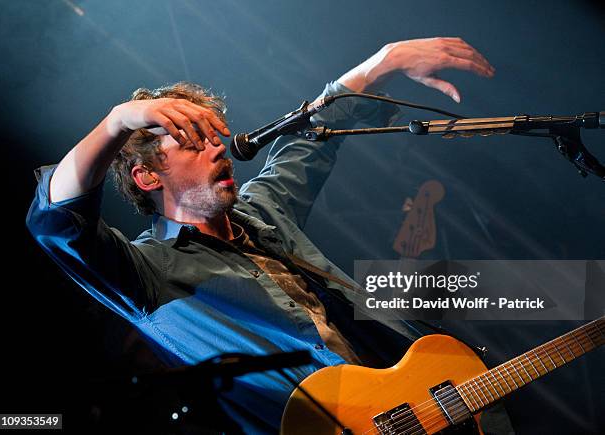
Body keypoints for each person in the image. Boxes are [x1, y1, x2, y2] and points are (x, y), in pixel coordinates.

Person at [27, 38, 508, 433]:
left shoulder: (264, 212)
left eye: (217, 135)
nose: (219, 149)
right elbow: (56, 220)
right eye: (194, 141)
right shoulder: (145, 272)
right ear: (148, 177)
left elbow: (310, 137)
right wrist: (118, 120)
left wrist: (385, 61)